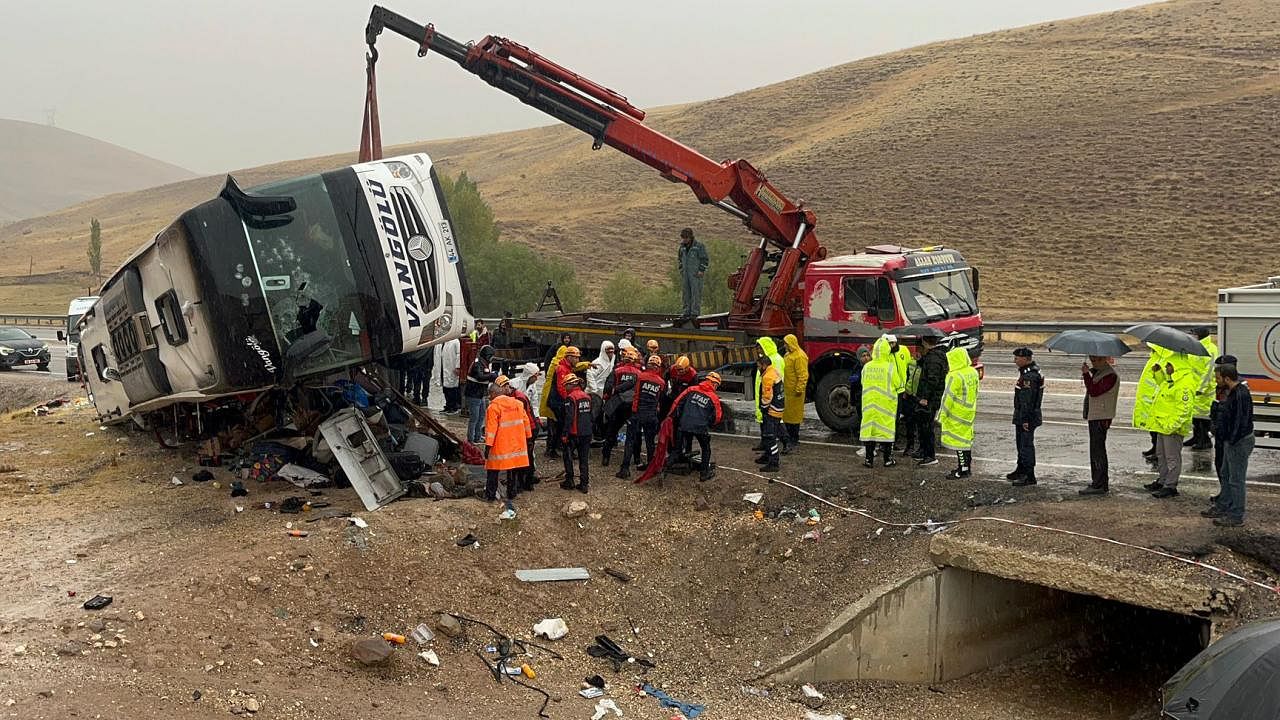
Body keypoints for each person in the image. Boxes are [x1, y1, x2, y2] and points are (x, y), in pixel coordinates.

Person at [1203, 363, 1253, 527]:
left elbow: (1240, 421)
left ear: (1226, 378)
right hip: (1230, 441)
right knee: (1226, 474)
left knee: (1236, 479)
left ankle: (1236, 514)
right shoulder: (1231, 392)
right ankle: (1224, 505)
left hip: (1238, 442)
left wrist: (1231, 440)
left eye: (1218, 378)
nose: (1216, 381)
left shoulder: (1240, 394)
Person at [1145, 359, 1195, 499]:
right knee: (1161, 456)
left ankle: (1170, 485)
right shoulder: (1173, 380)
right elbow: (1165, 387)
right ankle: (1163, 480)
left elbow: (1184, 409)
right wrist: (1157, 372)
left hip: (1172, 429)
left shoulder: (1185, 384)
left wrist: (1172, 426)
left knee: (1172, 458)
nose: (1166, 367)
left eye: (1168, 365)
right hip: (1163, 426)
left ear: (1176, 367)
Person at [618, 355, 665, 480]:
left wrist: (614, 390)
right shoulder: (661, 382)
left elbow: (627, 386)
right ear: (658, 367)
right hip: (651, 415)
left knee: (630, 441)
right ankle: (651, 468)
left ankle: (625, 469)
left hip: (637, 413)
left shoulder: (639, 376)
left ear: (648, 364)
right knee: (650, 443)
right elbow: (661, 399)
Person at [483, 382, 531, 503]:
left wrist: (488, 446)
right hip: (516, 444)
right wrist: (528, 438)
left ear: (493, 394)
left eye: (489, 395)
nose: (489, 398)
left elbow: (491, 430)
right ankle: (512, 493)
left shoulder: (493, 407)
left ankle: (490, 495)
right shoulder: (517, 404)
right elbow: (526, 422)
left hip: (500, 445)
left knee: (493, 471)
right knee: (513, 470)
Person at [1079, 355, 1120, 496]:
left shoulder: (1110, 375)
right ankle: (1098, 481)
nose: (1093, 363)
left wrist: (1086, 375)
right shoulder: (1100, 372)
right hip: (1096, 415)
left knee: (1098, 450)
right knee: (1096, 449)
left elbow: (1094, 391)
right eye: (1092, 360)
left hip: (1101, 416)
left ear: (1104, 360)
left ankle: (1100, 483)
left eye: (1096, 360)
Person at [676, 372, 724, 481]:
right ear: (714, 384)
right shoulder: (713, 397)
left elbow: (679, 402)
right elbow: (717, 417)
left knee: (686, 444)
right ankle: (704, 473)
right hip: (700, 426)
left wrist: (680, 418)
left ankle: (687, 464)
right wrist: (709, 424)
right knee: (706, 448)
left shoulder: (691, 389)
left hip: (685, 423)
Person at [940, 346, 979, 479]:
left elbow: (948, 397)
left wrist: (941, 415)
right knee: (966, 441)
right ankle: (966, 467)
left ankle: (963, 470)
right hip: (969, 411)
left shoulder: (954, 376)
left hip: (956, 413)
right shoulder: (972, 372)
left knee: (959, 443)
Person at [859, 336, 897, 467]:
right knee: (885, 432)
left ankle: (868, 460)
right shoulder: (890, 367)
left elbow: (863, 382)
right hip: (886, 405)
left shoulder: (867, 367)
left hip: (869, 404)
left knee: (870, 432)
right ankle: (887, 460)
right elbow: (898, 384)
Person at [1009, 348, 1044, 486]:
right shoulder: (1029, 372)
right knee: (1021, 444)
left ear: (1025, 359)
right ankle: (1021, 469)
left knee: (1026, 446)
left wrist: (1024, 420)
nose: (1015, 360)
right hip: (1024, 415)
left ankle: (1029, 475)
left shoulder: (1029, 376)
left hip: (1027, 416)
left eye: (1017, 358)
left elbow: (1027, 401)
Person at [498, 374, 540, 490]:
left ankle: (526, 482)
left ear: (506, 387)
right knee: (523, 457)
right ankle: (524, 482)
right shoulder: (515, 396)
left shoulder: (518, 399)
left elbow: (521, 418)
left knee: (525, 457)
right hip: (526, 429)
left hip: (528, 430)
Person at [913, 335, 948, 466]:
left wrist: (925, 398)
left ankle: (930, 455)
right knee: (922, 425)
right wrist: (921, 361)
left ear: (925, 343)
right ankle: (923, 451)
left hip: (930, 400)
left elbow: (932, 380)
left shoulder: (933, 359)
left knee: (927, 427)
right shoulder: (933, 357)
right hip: (929, 398)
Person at [602, 347, 641, 466]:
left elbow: (608, 388)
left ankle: (606, 457)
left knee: (611, 431)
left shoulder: (617, 371)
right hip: (632, 407)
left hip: (618, 405)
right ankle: (637, 459)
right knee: (635, 433)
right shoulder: (639, 374)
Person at [1185, 327, 1218, 450]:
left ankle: (1205, 441)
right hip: (1194, 388)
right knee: (1194, 417)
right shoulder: (1195, 347)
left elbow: (1209, 371)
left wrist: (1201, 388)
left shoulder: (1210, 349)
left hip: (1204, 391)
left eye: (1194, 334)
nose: (1193, 336)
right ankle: (1196, 437)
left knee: (1204, 417)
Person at [559, 375, 593, 493]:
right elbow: (591, 415)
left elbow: (569, 418)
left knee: (567, 456)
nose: (565, 388)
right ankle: (584, 484)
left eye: (566, 386)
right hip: (587, 432)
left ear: (570, 384)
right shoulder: (587, 396)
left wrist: (564, 434)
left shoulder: (570, 398)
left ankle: (570, 480)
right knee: (584, 459)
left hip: (574, 433)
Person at [753, 337, 785, 451]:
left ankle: (784, 443)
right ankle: (765, 443)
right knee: (766, 422)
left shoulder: (774, 359)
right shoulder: (768, 358)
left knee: (774, 423)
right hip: (767, 395)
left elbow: (776, 380)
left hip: (771, 398)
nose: (758, 350)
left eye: (759, 347)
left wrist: (766, 404)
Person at [755, 353, 784, 472]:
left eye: (759, 366)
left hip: (772, 410)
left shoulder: (767, 377)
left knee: (769, 436)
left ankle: (774, 462)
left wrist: (763, 408)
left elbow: (767, 396)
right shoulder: (775, 372)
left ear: (764, 365)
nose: (758, 368)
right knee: (769, 436)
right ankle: (767, 456)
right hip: (779, 408)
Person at [464, 345, 499, 444]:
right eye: (491, 356)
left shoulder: (484, 363)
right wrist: (491, 376)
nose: (492, 358)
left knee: (481, 416)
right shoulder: (477, 364)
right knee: (474, 418)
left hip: (480, 395)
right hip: (474, 395)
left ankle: (477, 437)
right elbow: (480, 376)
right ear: (487, 355)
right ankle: (471, 439)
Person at [782, 334, 810, 452]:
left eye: (786, 343)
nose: (784, 346)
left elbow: (803, 375)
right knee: (788, 415)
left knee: (794, 416)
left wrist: (799, 389)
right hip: (788, 390)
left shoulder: (799, 356)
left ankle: (794, 438)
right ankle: (789, 437)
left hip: (795, 391)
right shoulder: (788, 355)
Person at [540, 345, 569, 457]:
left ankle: (554, 447)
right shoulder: (559, 366)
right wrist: (568, 399)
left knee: (556, 424)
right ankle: (551, 448)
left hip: (553, 399)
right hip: (554, 400)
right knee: (556, 425)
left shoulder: (558, 363)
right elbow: (561, 387)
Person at [677, 227, 709, 320]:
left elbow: (705, 259)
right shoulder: (682, 247)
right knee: (686, 293)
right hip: (685, 275)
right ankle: (686, 312)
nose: (684, 240)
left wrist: (701, 270)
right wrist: (681, 270)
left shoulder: (699, 246)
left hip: (696, 275)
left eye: (686, 238)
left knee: (695, 293)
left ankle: (695, 313)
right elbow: (679, 259)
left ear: (690, 237)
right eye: (683, 238)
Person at [849, 346, 871, 444]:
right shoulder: (857, 368)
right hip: (860, 398)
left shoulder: (872, 368)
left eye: (867, 355)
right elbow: (853, 385)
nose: (866, 358)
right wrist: (853, 401)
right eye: (863, 356)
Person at [438, 337, 462, 414]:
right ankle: (448, 405)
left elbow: (459, 355)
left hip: (452, 368)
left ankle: (454, 406)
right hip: (444, 367)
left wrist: (457, 367)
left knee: (452, 388)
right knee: (445, 388)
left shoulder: (455, 342)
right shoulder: (444, 342)